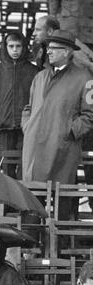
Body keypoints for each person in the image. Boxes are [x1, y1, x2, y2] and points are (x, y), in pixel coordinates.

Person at [21, 30, 93, 212]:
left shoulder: (86, 79)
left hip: (63, 151)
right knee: (33, 205)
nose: (49, 52)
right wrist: (28, 126)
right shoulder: (39, 77)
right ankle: (32, 240)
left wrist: (68, 132)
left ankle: (59, 241)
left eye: (53, 48)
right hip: (34, 150)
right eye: (48, 48)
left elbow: (90, 115)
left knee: (62, 204)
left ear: (67, 51)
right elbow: (28, 107)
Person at [0, 31, 38, 178]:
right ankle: (7, 201)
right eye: (11, 46)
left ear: (24, 47)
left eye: (18, 46)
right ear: (5, 47)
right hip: (5, 125)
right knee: (6, 167)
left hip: (26, 127)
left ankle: (20, 200)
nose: (15, 50)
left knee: (24, 166)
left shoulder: (33, 71)